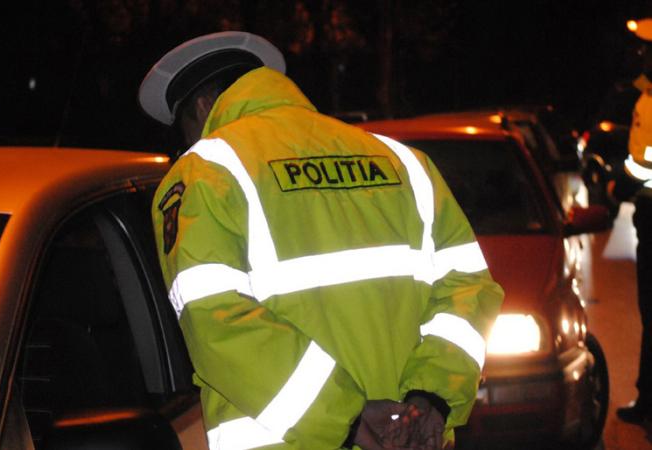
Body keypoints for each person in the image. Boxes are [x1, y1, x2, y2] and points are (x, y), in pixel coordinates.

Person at [139, 31, 503, 450]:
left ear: (204, 106)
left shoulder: (205, 171)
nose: (191, 141)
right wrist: (431, 399)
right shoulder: (404, 162)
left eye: (187, 127)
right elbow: (468, 289)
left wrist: (349, 418)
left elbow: (215, 318)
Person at [618, 17, 652, 426]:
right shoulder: (646, 94)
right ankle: (647, 398)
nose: (641, 54)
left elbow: (645, 163)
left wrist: (620, 183)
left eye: (646, 47)